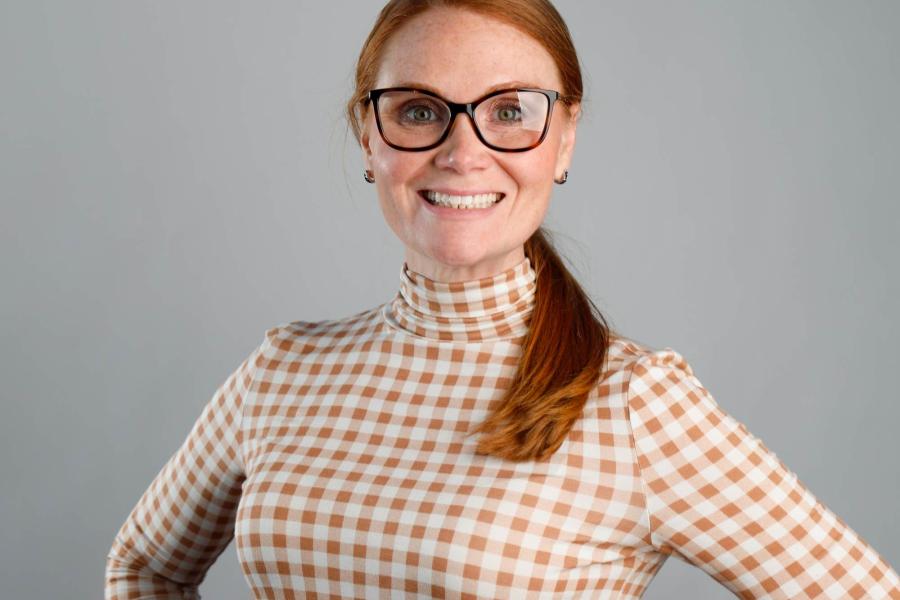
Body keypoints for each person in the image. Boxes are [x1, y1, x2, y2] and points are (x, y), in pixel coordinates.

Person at [105, 1, 900, 598]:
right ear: (368, 138)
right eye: (419, 110)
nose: (462, 152)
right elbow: (141, 565)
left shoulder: (634, 404)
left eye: (509, 113)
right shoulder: (283, 371)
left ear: (565, 140)